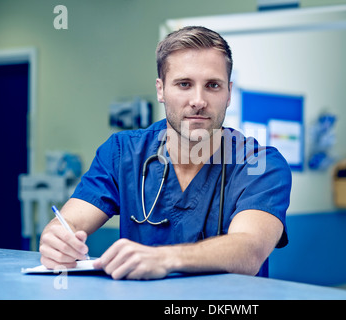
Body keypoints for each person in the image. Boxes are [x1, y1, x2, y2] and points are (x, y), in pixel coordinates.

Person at [39, 26, 292, 280]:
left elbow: (250, 251)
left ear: (228, 93)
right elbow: (69, 223)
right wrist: (56, 240)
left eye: (213, 85)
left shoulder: (260, 164)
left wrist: (164, 258)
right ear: (160, 90)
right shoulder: (122, 153)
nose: (198, 100)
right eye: (184, 84)